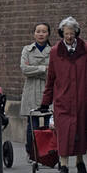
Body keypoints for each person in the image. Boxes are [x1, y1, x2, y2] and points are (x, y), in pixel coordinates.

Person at [40, 16, 87, 173]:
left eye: (72, 33)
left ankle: (80, 162)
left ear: (76, 33)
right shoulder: (55, 52)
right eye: (66, 33)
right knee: (64, 132)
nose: (69, 36)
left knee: (81, 131)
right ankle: (64, 165)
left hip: (81, 99)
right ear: (62, 33)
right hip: (63, 99)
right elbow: (51, 78)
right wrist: (46, 101)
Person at [20, 22, 52, 157]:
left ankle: (46, 151)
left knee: (47, 123)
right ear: (34, 34)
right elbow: (24, 69)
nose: (41, 34)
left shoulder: (54, 51)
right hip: (31, 89)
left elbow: (54, 72)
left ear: (48, 34)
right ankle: (31, 151)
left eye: (44, 31)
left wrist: (34, 69)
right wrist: (44, 68)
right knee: (32, 124)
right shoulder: (27, 50)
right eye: (38, 31)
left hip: (48, 89)